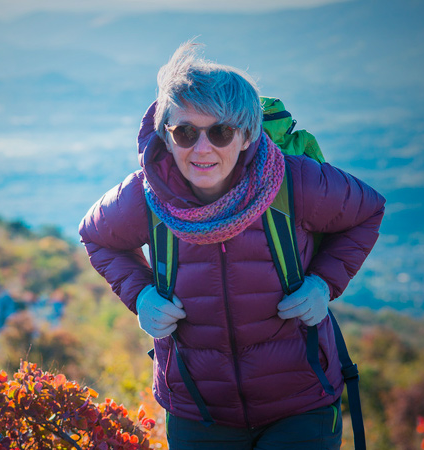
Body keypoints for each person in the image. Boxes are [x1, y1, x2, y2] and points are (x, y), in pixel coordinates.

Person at [79, 41, 386, 450]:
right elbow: (96, 235)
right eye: (185, 132)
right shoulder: (145, 195)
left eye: (221, 132)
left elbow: (367, 211)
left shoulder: (293, 182)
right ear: (166, 137)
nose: (202, 149)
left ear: (246, 135)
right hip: (198, 410)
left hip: (300, 404)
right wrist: (140, 296)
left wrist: (324, 284)